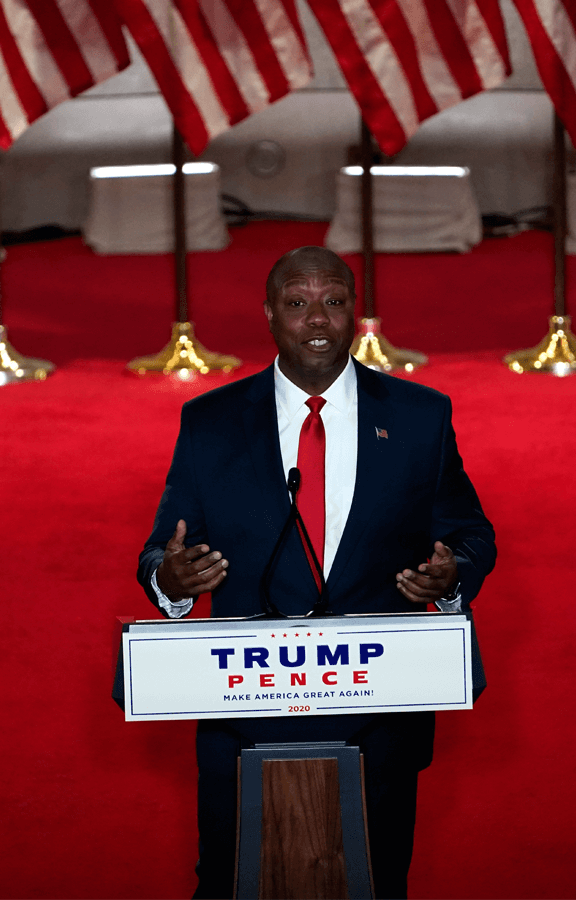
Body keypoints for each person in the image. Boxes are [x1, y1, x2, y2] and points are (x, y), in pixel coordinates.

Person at [137, 246, 496, 899]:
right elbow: (164, 548)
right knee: (230, 882)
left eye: (333, 301)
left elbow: (468, 534)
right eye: (298, 304)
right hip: (245, 713)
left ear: (354, 312)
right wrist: (173, 579)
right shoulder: (211, 422)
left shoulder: (419, 417)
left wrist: (451, 579)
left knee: (375, 880)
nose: (318, 320)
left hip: (378, 712)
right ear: (270, 313)